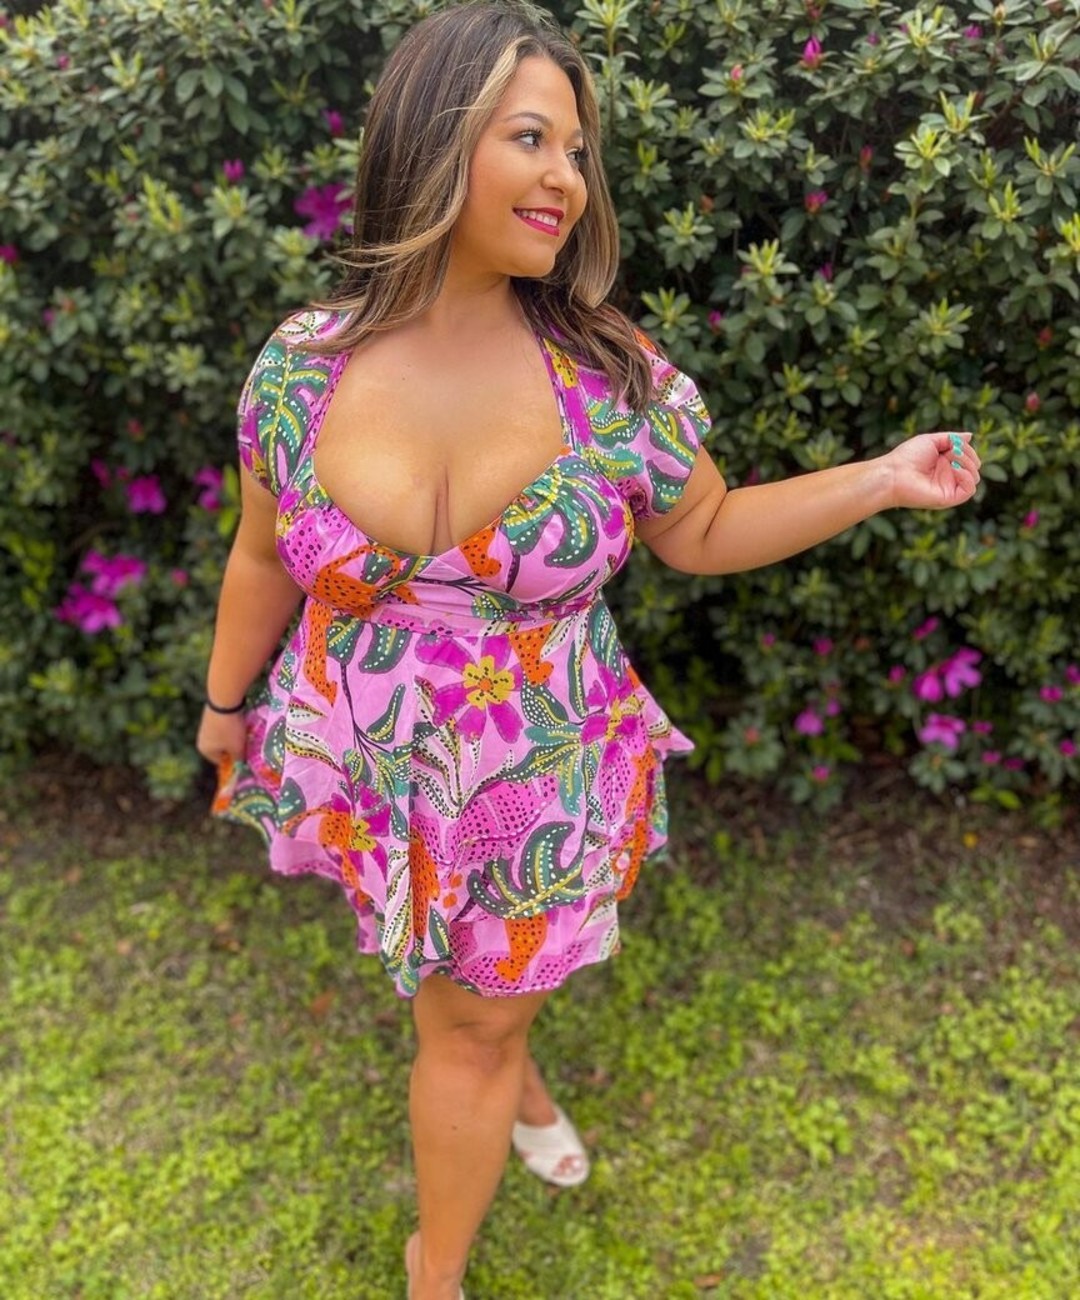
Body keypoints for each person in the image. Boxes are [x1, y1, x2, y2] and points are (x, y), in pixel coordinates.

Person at [196, 2, 981, 1295]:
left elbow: (704, 527)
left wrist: (880, 480)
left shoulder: (609, 378)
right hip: (365, 759)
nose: (565, 175)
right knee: (456, 995)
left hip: (533, 780)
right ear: (432, 140)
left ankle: (432, 1273)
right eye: (530, 137)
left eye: (575, 148)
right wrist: (227, 703)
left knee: (468, 1027)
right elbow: (264, 557)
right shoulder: (298, 368)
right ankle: (504, 1063)